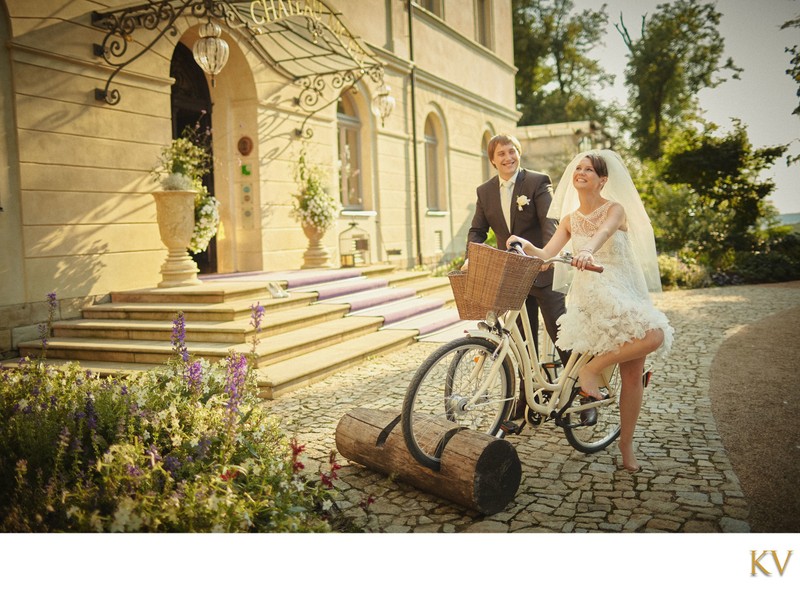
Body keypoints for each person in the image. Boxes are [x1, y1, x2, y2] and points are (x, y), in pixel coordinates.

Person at [507, 149, 674, 472]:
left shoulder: (615, 209)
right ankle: (591, 371)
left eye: (589, 170)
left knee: (636, 367)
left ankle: (626, 445)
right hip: (594, 291)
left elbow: (604, 232)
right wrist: (525, 245)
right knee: (651, 337)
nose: (581, 172)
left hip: (626, 289)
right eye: (578, 168)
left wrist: (586, 250)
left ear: (602, 180)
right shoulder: (569, 219)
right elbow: (545, 257)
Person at [464, 133, 568, 369]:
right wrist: (472, 258)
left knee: (562, 336)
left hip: (544, 272)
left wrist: (547, 256)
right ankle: (528, 397)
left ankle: (582, 392)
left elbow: (550, 222)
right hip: (513, 278)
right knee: (522, 343)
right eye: (501, 153)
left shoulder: (537, 181)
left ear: (519, 153)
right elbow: (477, 231)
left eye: (512, 151)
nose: (508, 157)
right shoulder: (485, 191)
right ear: (492, 160)